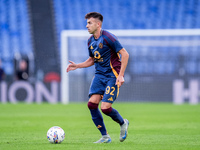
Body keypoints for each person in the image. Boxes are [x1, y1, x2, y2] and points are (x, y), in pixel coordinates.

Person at [67, 12, 129, 143]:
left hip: (113, 75)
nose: (86, 26)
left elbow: (125, 54)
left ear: (98, 24)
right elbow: (92, 60)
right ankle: (105, 136)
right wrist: (77, 66)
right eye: (87, 23)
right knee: (91, 104)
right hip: (99, 75)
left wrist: (121, 75)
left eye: (89, 23)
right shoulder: (90, 41)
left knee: (105, 108)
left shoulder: (108, 37)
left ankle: (123, 122)